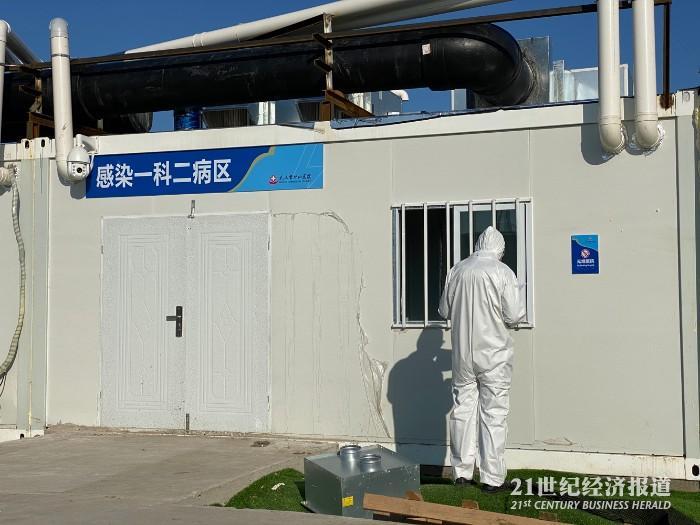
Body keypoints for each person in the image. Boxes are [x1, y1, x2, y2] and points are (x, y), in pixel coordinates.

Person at [438, 226, 525, 493]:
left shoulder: (457, 270)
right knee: (493, 413)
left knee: (462, 411)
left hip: (463, 355)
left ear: (478, 244)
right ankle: (492, 478)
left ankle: (461, 473)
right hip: (494, 355)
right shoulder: (503, 272)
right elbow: (514, 315)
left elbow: (444, 310)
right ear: (499, 248)